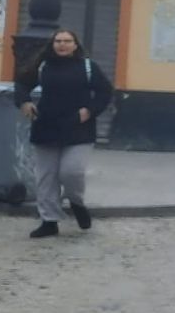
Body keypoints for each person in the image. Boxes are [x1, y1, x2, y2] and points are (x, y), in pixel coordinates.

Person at [13, 29, 115, 239]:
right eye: (58, 41)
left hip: (79, 128)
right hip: (46, 126)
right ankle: (49, 221)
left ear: (75, 45)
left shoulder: (88, 67)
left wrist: (90, 110)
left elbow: (106, 92)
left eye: (67, 41)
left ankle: (76, 202)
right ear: (52, 44)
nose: (62, 45)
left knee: (72, 172)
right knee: (46, 178)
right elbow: (21, 84)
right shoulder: (42, 66)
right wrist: (24, 101)